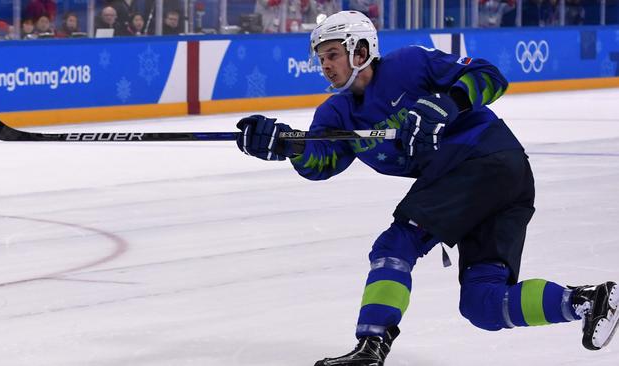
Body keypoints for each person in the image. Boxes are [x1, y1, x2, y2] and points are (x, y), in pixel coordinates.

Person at [234, 10, 619, 366]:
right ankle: (587, 301)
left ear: (362, 49)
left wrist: (445, 105)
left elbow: (490, 76)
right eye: (321, 58)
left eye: (333, 54)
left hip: (484, 157)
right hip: (486, 184)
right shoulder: (335, 114)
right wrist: (288, 145)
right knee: (483, 304)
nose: (325, 65)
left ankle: (371, 346)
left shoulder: (409, 64)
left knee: (396, 244)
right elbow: (322, 163)